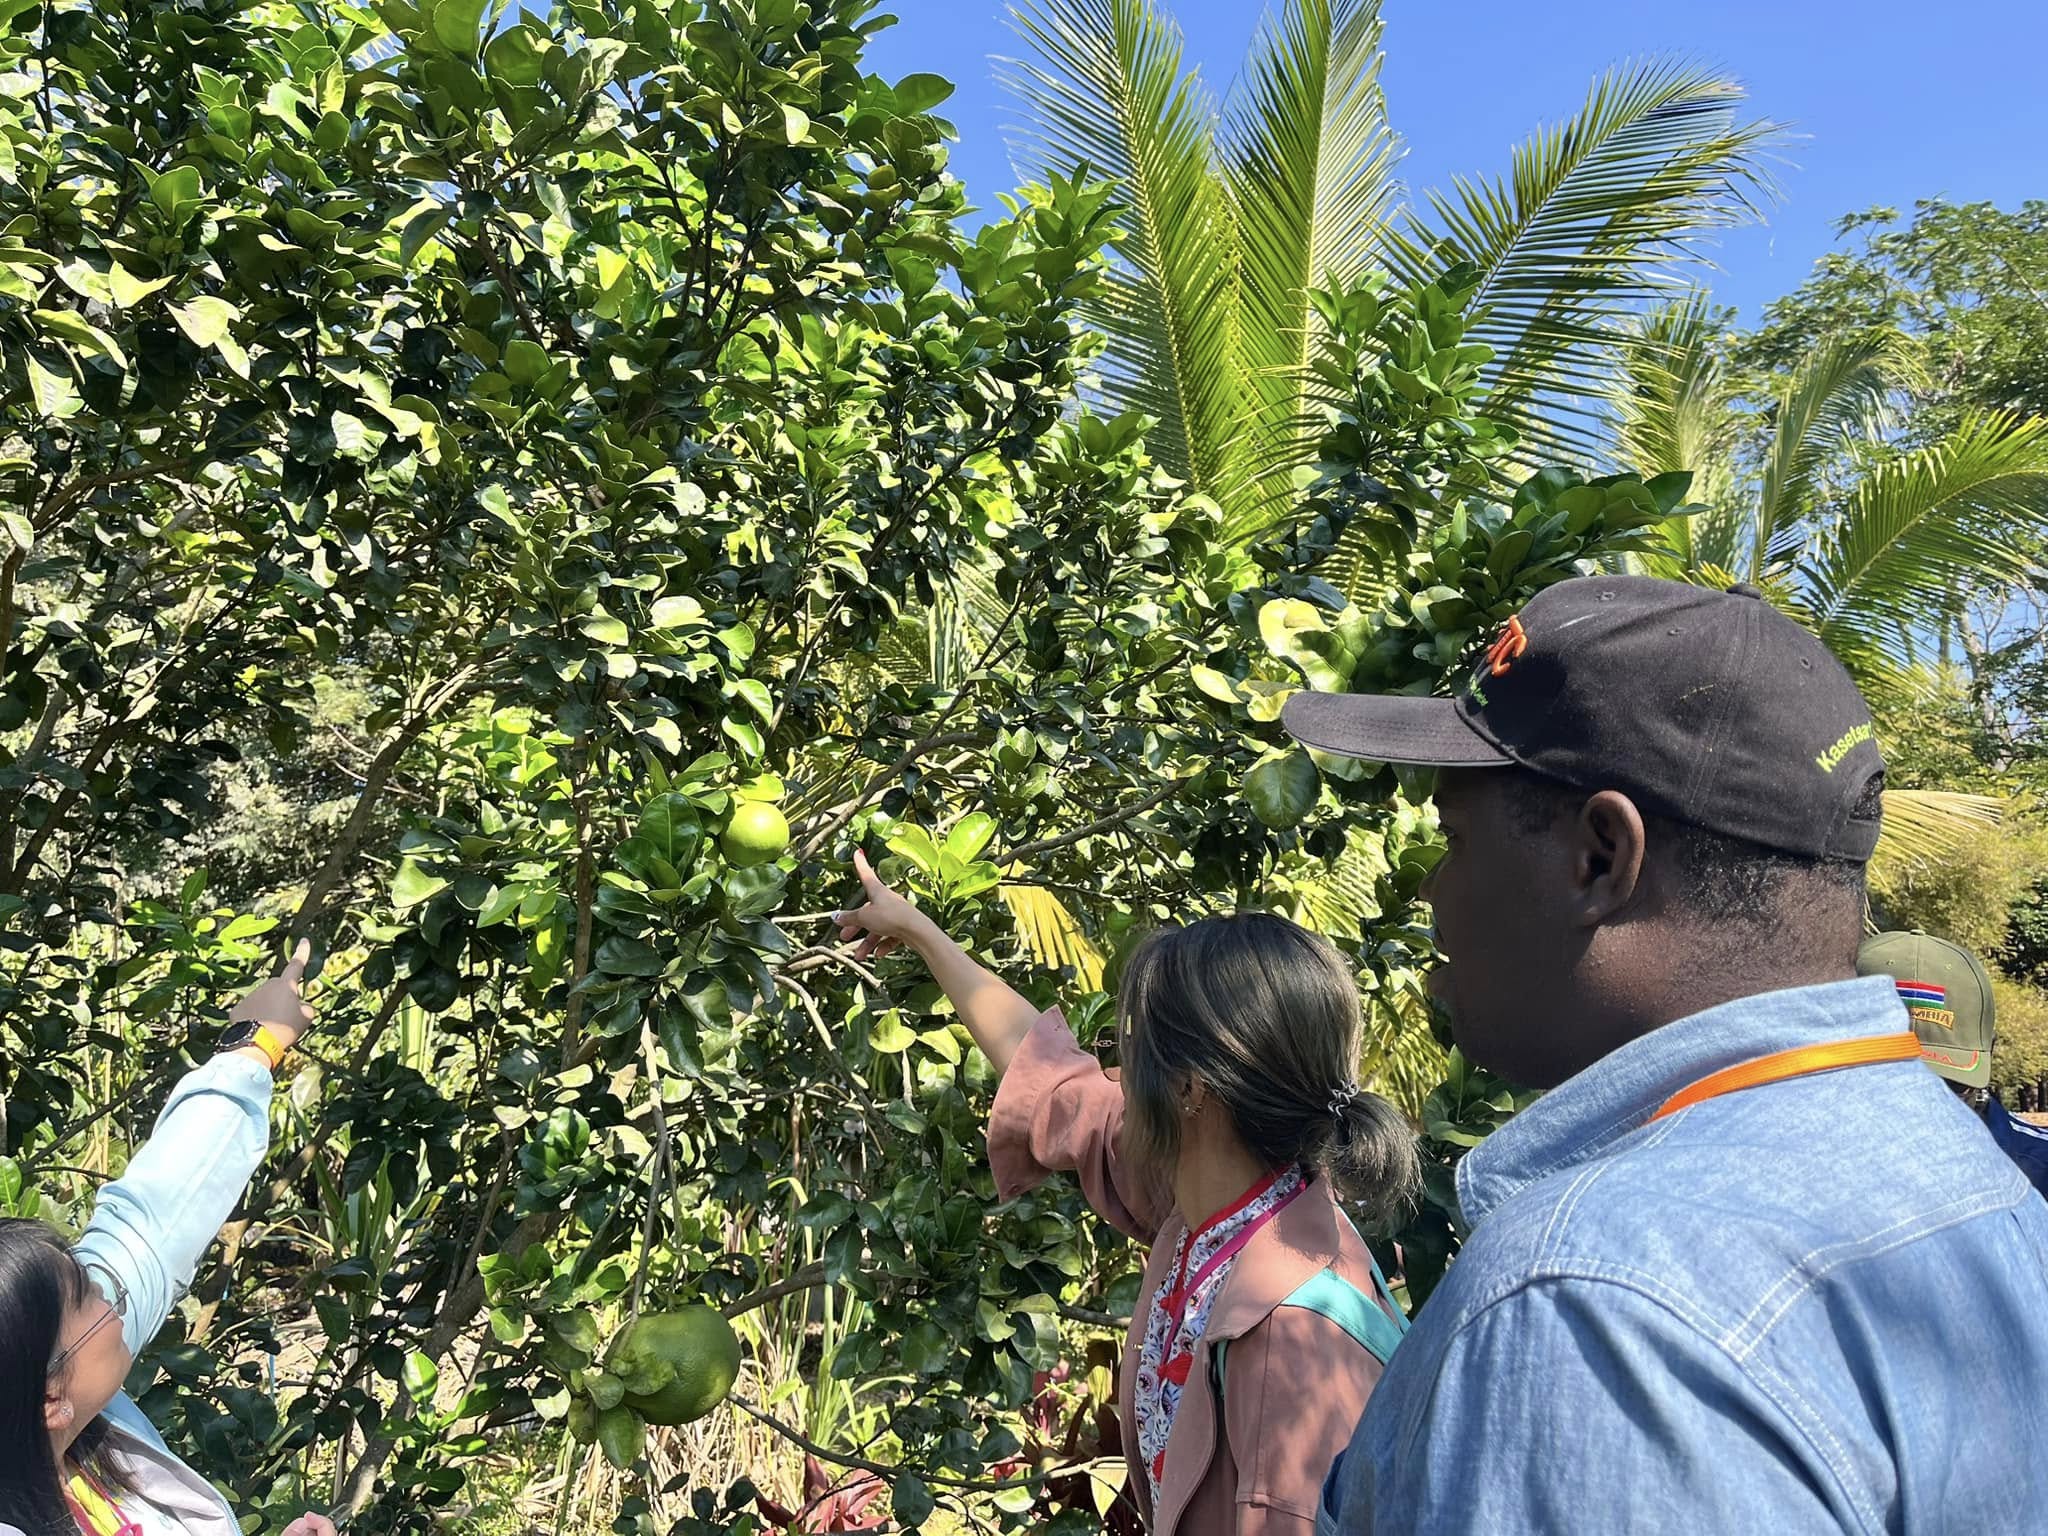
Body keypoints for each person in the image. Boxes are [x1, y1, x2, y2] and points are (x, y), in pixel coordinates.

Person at [1280, 576, 2048, 1533]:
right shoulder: (1972, 1180)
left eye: (1455, 837)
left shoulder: (1590, 1307)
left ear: (1600, 858)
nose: (1433, 890)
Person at [835, 855, 1418, 1536]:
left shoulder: (1286, 1336)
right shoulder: (1216, 1193)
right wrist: (921, 932)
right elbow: (1054, 1079)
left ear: (1190, 1089)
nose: (1115, 1067)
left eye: (1129, 1047)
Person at [0, 942, 340, 1536]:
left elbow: (152, 1223)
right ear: (50, 1399)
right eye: (89, 1294)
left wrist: (253, 1046)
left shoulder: (61, 1444)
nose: (112, 1289)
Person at [1859, 928, 2048, 1197]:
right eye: (1879, 1085)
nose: (1914, 1112)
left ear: (1989, 1051)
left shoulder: (2041, 1174)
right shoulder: (1790, 1172)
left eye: (1949, 1087)